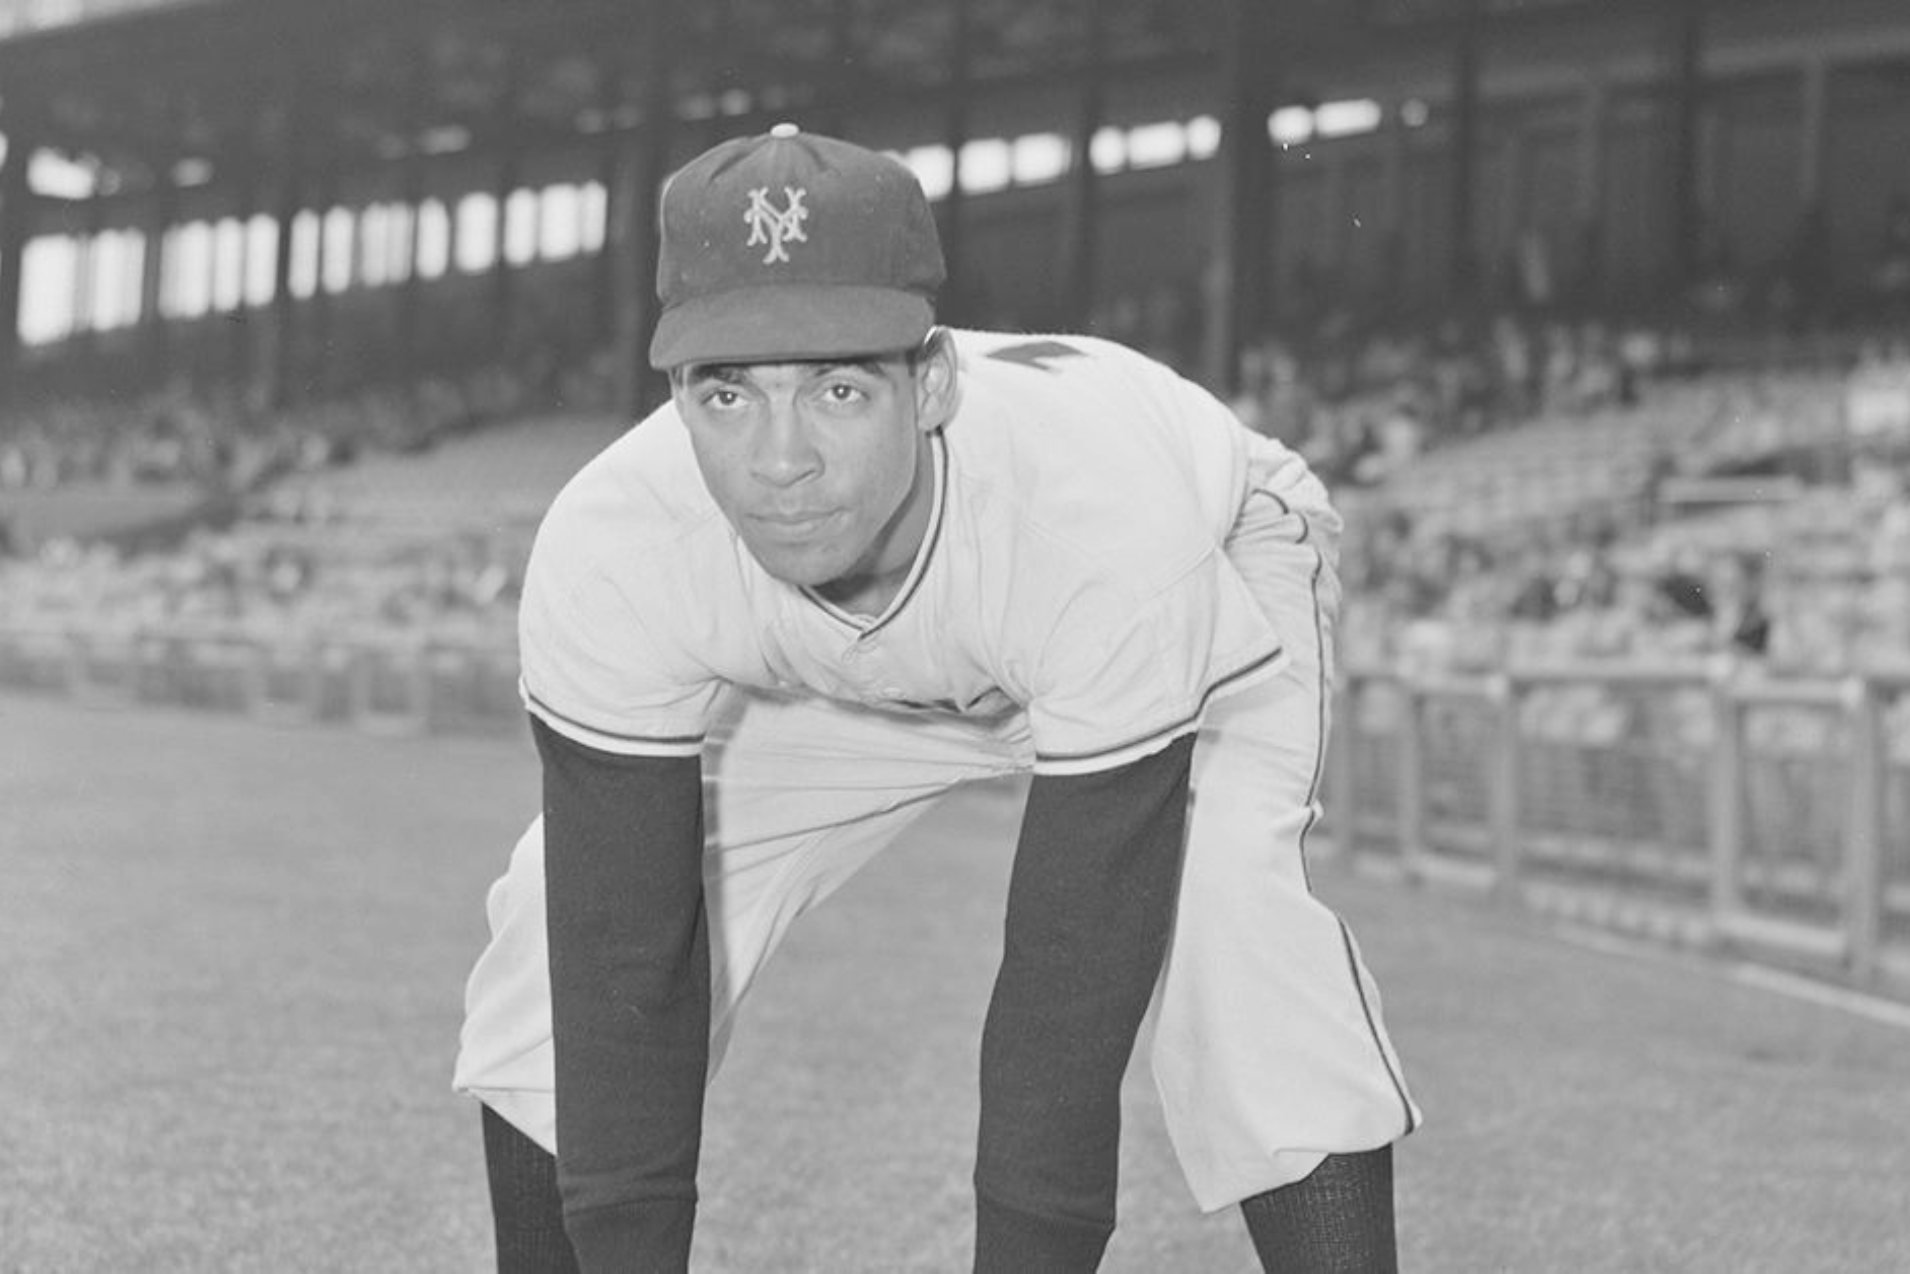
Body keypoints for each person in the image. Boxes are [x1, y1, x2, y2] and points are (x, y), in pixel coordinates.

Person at [453, 123, 1419, 1273]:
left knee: (1235, 931)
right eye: (724, 394)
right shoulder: (622, 539)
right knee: (544, 927)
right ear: (671, 387)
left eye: (837, 387)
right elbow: (622, 957)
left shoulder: (1095, 524)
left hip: (1186, 572)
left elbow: (1065, 994)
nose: (779, 459)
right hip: (852, 673)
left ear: (931, 382)